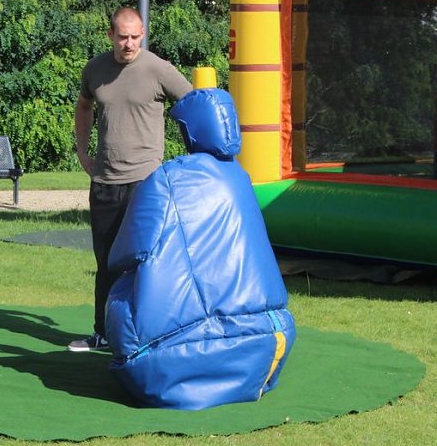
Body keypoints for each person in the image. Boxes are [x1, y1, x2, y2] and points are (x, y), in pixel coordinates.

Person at [104, 88, 295, 409]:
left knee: (122, 296)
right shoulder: (240, 178)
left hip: (171, 355)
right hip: (271, 340)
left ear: (190, 130)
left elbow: (123, 254)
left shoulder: (166, 179)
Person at [69, 6, 193, 352]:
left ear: (143, 34)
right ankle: (104, 333)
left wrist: (194, 157)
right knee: (106, 261)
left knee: (147, 262)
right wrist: (82, 150)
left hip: (146, 182)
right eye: (122, 36)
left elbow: (195, 105)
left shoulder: (158, 69)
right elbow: (83, 106)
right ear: (110, 35)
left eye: (135, 36)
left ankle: (152, 335)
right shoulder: (95, 69)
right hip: (105, 180)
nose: (128, 43)